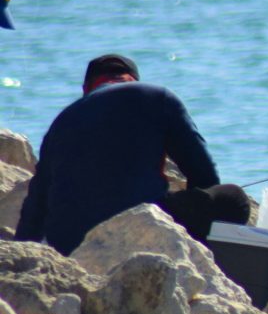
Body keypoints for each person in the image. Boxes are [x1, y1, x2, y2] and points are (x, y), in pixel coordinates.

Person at [13, 54, 250, 255]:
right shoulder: (158, 97)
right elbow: (204, 174)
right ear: (133, 80)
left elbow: (36, 207)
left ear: (87, 89)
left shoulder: (61, 121)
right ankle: (200, 262)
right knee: (233, 198)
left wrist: (22, 255)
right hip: (142, 228)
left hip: (70, 244)